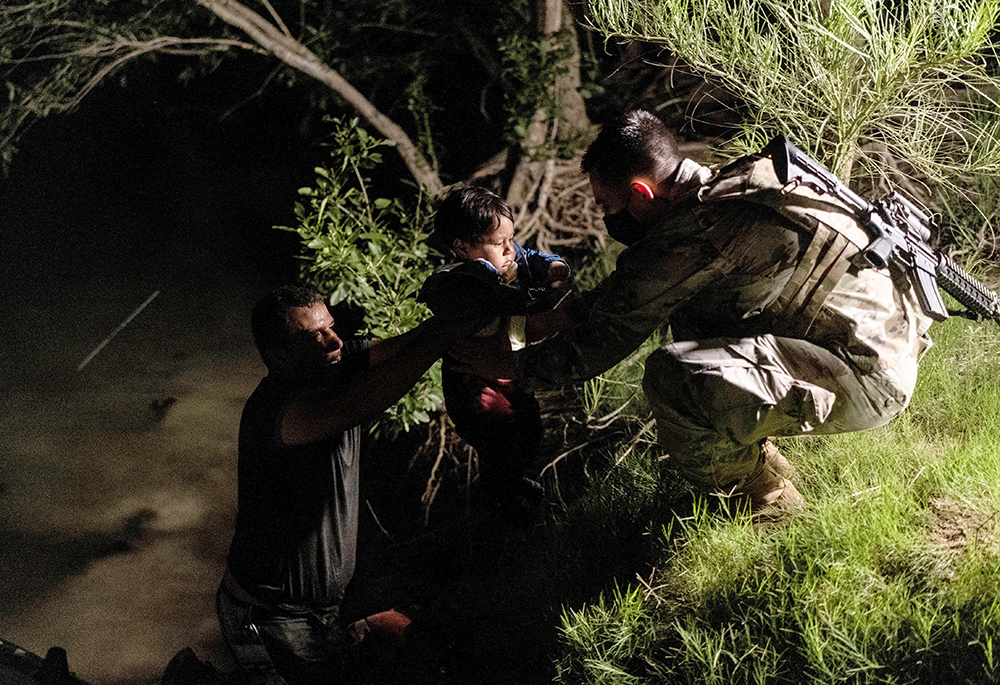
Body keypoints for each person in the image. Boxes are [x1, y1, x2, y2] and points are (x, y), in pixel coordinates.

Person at [454, 109, 934, 523]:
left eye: (608, 204)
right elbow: (630, 295)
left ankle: (767, 506)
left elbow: (599, 346)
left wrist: (510, 369)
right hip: (885, 341)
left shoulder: (700, 230)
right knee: (694, 317)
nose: (606, 217)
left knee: (673, 377)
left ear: (642, 195)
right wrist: (550, 319)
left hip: (870, 377)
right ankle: (757, 453)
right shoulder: (739, 180)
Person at [216, 285, 474, 684]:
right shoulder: (280, 410)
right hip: (273, 618)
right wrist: (444, 337)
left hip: (327, 603)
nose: (334, 340)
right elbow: (355, 405)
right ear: (278, 356)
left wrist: (462, 317)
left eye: (330, 326)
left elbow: (405, 344)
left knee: (418, 644)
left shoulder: (333, 362)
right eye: (314, 336)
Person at [418, 184, 570, 523]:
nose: (509, 250)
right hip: (476, 387)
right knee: (501, 439)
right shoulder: (456, 285)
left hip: (508, 371)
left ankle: (522, 492)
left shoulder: (507, 261)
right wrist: (538, 306)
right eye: (499, 244)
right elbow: (495, 314)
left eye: (510, 240)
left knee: (528, 427)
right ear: (462, 247)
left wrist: (552, 266)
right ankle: (507, 504)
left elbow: (528, 259)